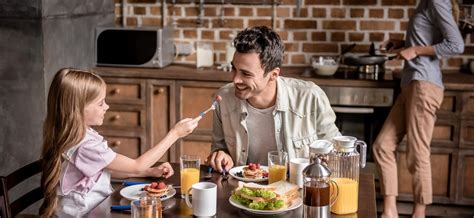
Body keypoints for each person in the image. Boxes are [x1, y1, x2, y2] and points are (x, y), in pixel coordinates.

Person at [39, 68, 200, 217]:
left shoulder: (75, 135)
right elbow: (137, 165)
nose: (107, 106)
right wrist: (175, 134)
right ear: (78, 108)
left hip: (94, 208)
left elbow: (101, 170)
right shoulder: (85, 145)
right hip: (83, 213)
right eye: (101, 103)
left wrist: (148, 172)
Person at [373, 1, 464, 218]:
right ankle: (390, 211)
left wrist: (414, 50)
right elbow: (428, 40)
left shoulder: (436, 0)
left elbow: (456, 45)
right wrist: (404, 44)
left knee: (418, 153)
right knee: (382, 146)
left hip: (424, 86)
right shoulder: (426, 2)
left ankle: (419, 214)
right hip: (411, 84)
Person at [207, 26, 340, 173]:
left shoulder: (310, 97)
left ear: (274, 75)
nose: (235, 79)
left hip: (295, 190)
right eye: (234, 69)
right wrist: (220, 155)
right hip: (242, 190)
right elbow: (218, 148)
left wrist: (328, 159)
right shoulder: (223, 99)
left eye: (246, 74)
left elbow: (336, 152)